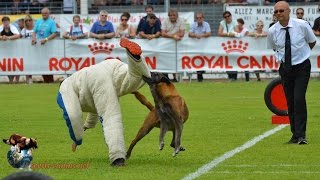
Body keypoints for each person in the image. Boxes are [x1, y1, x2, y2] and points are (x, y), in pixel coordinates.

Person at [56, 38, 151, 167]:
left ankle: (117, 156)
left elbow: (72, 115)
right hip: (110, 66)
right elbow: (94, 109)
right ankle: (135, 59)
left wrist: (77, 138)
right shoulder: (89, 97)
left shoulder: (65, 87)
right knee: (137, 79)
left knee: (110, 115)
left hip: (93, 77)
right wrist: (85, 127)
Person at [267, 1, 316, 145]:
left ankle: (301, 135)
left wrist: (301, 55)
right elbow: (274, 47)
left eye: (282, 11)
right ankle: (295, 135)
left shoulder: (302, 25)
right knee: (290, 101)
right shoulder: (272, 31)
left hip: (302, 66)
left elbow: (312, 42)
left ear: (289, 11)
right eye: (276, 11)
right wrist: (285, 60)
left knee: (299, 98)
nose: (279, 14)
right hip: (285, 68)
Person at [32, 7, 57, 83]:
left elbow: (54, 33)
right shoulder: (38, 21)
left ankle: (50, 80)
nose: (44, 15)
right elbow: (34, 32)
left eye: (46, 13)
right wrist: (34, 38)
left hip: (48, 46)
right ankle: (46, 81)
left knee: (49, 64)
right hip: (40, 46)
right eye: (43, 13)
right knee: (41, 64)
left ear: (48, 14)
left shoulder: (51, 22)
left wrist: (46, 39)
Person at [161, 8, 185, 82]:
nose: (172, 16)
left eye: (174, 15)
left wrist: (169, 34)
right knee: (165, 60)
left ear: (177, 15)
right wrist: (173, 36)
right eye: (170, 15)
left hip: (177, 45)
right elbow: (162, 33)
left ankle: (176, 77)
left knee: (176, 60)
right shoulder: (165, 21)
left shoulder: (181, 20)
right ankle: (166, 77)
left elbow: (182, 33)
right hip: (166, 45)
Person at [188, 11, 211, 82]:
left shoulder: (206, 24)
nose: (199, 19)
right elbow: (190, 34)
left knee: (204, 60)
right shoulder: (193, 25)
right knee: (197, 60)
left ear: (203, 18)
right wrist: (195, 35)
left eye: (200, 18)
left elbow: (209, 33)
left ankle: (201, 73)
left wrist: (201, 35)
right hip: (195, 47)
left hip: (205, 46)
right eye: (197, 18)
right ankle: (199, 76)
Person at [218, 11, 239, 81]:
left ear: (230, 16)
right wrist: (228, 34)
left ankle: (234, 77)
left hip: (234, 44)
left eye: (228, 16)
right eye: (225, 17)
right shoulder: (222, 23)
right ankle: (230, 76)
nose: (227, 18)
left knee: (234, 59)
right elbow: (219, 33)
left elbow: (237, 31)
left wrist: (229, 34)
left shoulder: (234, 22)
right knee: (227, 60)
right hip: (226, 44)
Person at [0, 16, 21, 84]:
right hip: (5, 51)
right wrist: (2, 37)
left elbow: (18, 35)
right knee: (8, 66)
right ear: (2, 22)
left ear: (9, 22)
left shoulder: (12, 27)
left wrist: (8, 38)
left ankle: (17, 80)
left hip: (14, 49)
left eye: (7, 21)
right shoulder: (1, 28)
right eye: (4, 22)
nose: (6, 23)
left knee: (17, 65)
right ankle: (11, 80)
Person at [21, 14, 35, 84]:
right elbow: (21, 39)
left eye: (29, 20)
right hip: (26, 50)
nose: (28, 22)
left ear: (32, 21)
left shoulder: (35, 29)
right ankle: (28, 78)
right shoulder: (24, 30)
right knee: (27, 64)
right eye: (26, 21)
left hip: (34, 49)